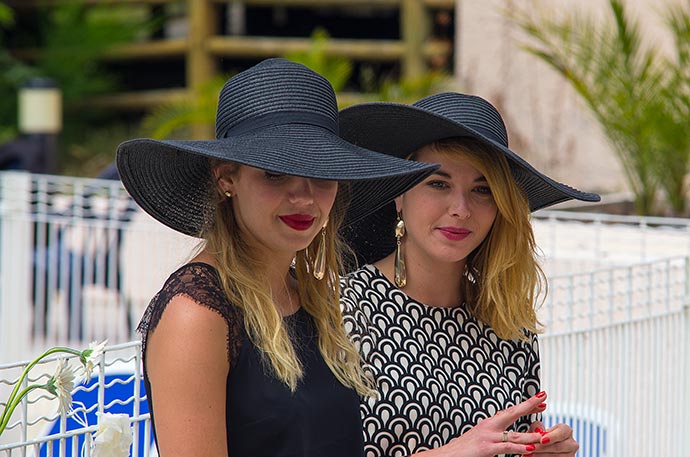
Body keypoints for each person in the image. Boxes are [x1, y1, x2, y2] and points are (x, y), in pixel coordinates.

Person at [115, 58, 439, 457]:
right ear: (226, 178)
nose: (303, 197)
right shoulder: (197, 315)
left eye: (322, 174)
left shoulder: (309, 298)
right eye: (275, 173)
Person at [338, 92, 601, 457]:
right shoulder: (338, 310)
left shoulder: (509, 324)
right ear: (399, 195)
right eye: (439, 183)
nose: (461, 209)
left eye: (482, 190)